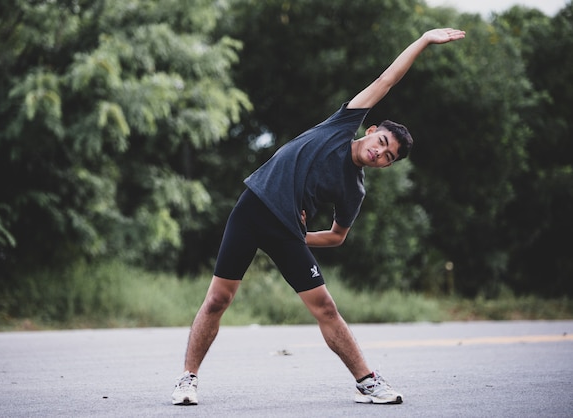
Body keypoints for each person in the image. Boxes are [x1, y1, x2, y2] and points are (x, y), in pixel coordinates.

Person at [172, 27, 466, 406]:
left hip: (287, 231)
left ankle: (368, 382)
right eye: (382, 144)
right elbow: (387, 80)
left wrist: (300, 237)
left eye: (389, 157)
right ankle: (187, 380)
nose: (380, 154)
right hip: (252, 208)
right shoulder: (342, 124)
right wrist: (424, 40)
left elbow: (338, 235)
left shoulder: (354, 189)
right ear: (371, 130)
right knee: (216, 300)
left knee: (326, 307)